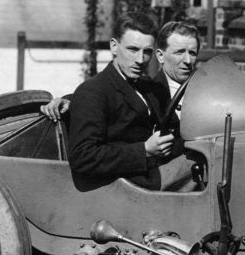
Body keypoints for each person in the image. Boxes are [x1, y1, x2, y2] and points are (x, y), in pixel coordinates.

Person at [51, 13, 176, 190]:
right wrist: (144, 150)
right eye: (132, 49)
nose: (140, 60)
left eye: (147, 52)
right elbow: (82, 157)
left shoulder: (149, 87)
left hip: (155, 173)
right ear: (114, 46)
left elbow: (175, 129)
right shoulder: (93, 91)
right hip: (125, 187)